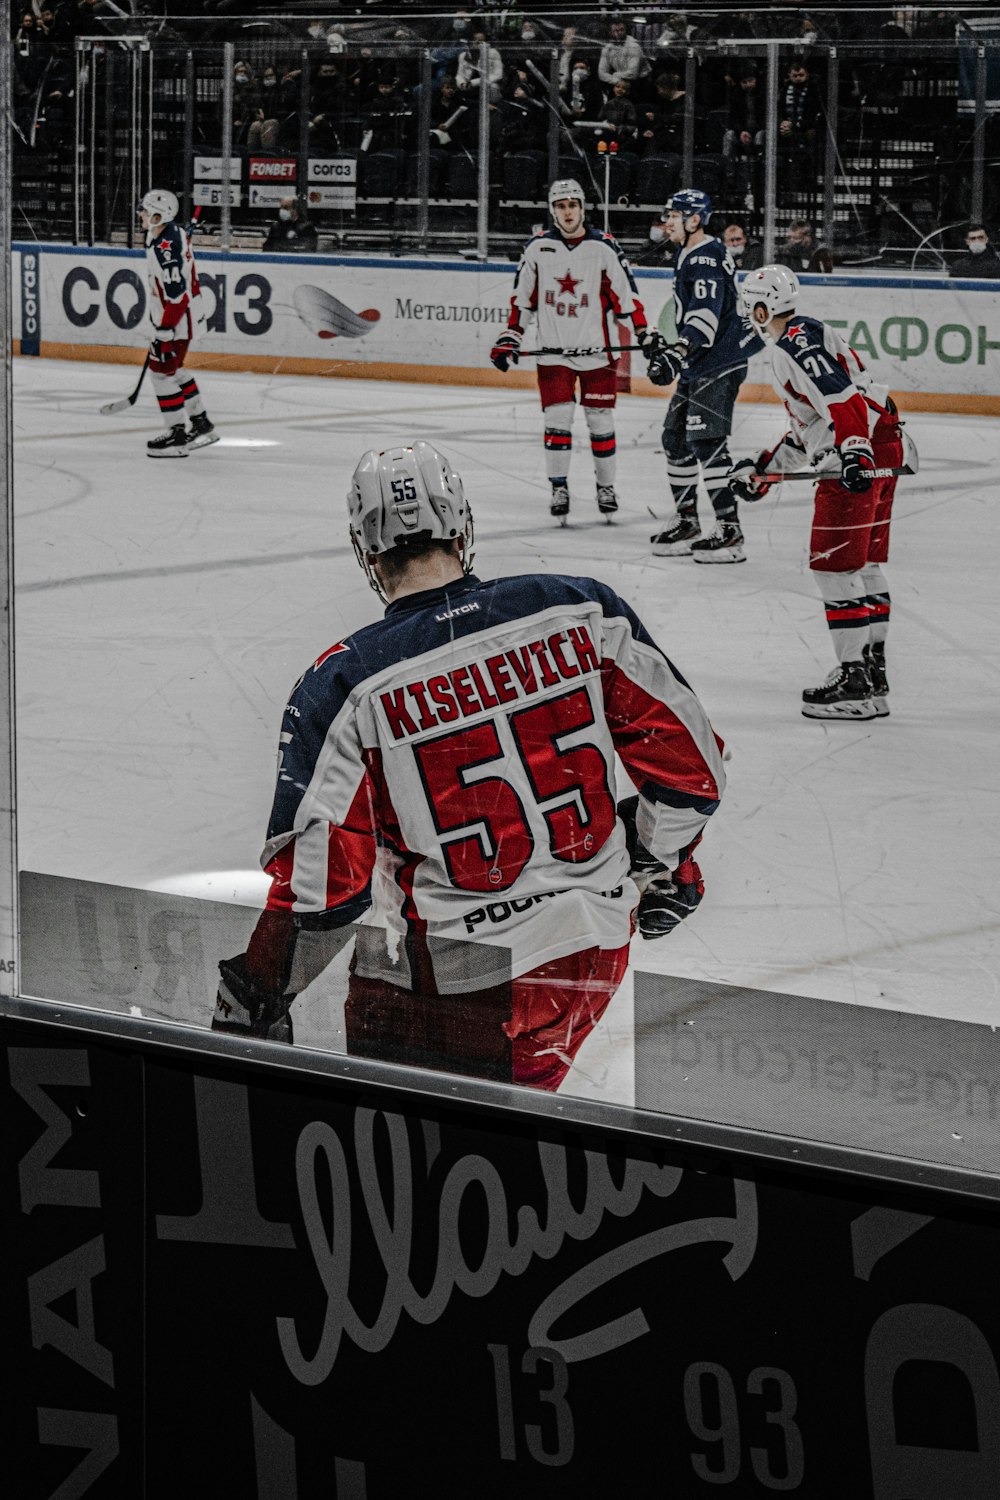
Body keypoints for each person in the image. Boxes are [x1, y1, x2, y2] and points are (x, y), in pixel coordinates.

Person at [212, 442, 726, 1090]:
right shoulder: (583, 609)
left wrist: (254, 994)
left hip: (448, 993)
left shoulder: (343, 686)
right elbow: (691, 775)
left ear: (367, 550)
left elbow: (324, 897)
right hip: (586, 958)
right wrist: (658, 863)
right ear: (462, 527)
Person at [730, 265, 904, 719]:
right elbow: (812, 427)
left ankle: (854, 682)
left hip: (858, 452)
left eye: (750, 305)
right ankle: (872, 674)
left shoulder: (791, 349)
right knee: (864, 565)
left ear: (764, 308)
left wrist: (854, 452)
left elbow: (841, 401)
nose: (747, 313)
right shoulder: (809, 331)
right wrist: (765, 472)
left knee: (833, 568)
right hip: (882, 441)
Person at [489, 178, 661, 522]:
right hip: (553, 354)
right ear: (553, 211)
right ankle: (559, 488)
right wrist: (512, 336)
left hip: (597, 354)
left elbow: (626, 296)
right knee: (557, 420)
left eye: (572, 205)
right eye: (560, 206)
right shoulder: (537, 248)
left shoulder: (603, 247)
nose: (567, 212)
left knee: (600, 421)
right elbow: (522, 300)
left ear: (583, 208)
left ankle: (606, 488)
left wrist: (643, 330)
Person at [647, 188, 763, 562]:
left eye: (673, 216)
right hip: (704, 361)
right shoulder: (693, 253)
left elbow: (706, 319)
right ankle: (688, 520)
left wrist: (679, 350)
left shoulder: (706, 258)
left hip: (720, 359)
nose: (667, 222)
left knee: (706, 442)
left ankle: (729, 530)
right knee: (675, 439)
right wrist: (669, 347)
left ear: (694, 219)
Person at [141, 190, 216, 458]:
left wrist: (164, 330)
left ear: (159, 216)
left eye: (146, 211)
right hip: (182, 319)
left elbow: (177, 295)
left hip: (178, 321)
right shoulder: (168, 233)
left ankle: (177, 436)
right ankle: (201, 422)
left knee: (162, 374)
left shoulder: (168, 247)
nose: (141, 215)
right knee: (173, 370)